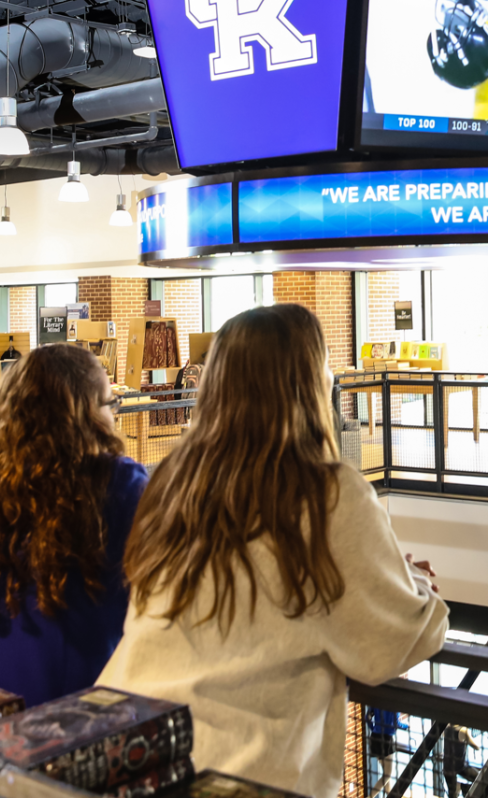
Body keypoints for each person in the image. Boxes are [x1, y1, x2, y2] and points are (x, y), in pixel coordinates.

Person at [98, 304, 448, 798]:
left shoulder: (173, 481)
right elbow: (392, 644)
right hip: (237, 774)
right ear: (309, 383)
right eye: (325, 364)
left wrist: (383, 574)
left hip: (134, 748)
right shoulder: (326, 494)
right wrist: (415, 587)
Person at [0, 345, 146, 706]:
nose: (114, 414)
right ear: (86, 412)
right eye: (110, 404)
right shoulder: (117, 483)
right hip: (54, 708)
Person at [365, 707, 406, 798]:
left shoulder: (376, 702)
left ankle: (389, 793)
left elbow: (367, 717)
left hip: (375, 738)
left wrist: (373, 728)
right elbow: (397, 723)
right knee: (388, 774)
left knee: (385, 773)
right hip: (386, 739)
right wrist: (406, 726)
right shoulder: (394, 704)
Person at [441, 723, 480, 798]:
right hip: (460, 767)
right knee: (479, 779)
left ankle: (460, 787)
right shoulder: (463, 730)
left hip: (447, 767)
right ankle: (464, 787)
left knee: (452, 794)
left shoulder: (446, 727)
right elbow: (476, 747)